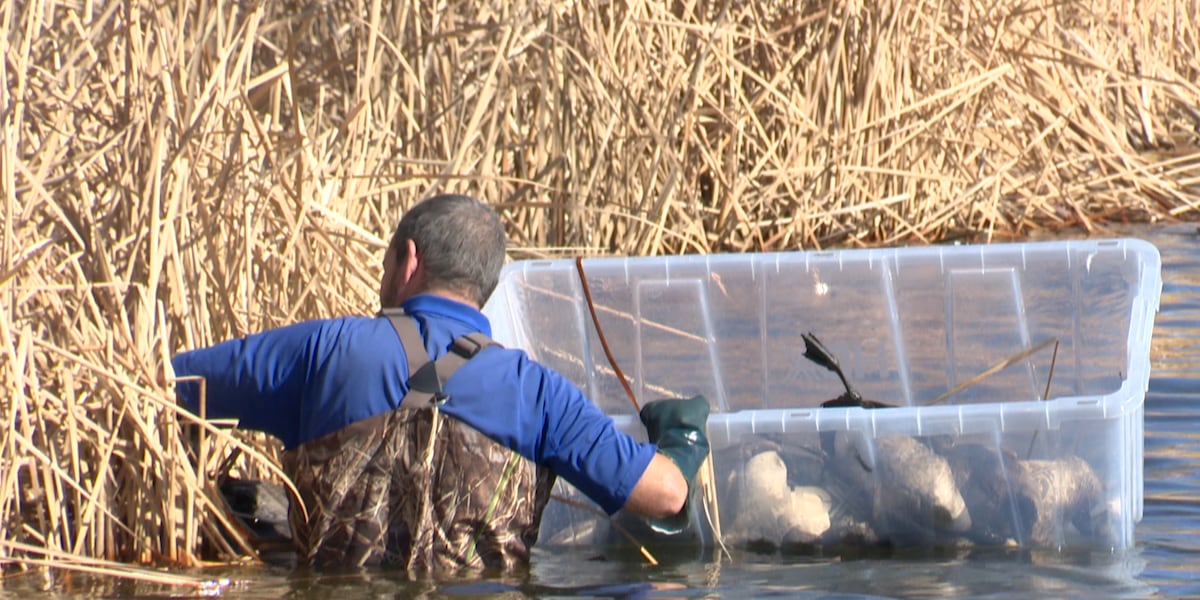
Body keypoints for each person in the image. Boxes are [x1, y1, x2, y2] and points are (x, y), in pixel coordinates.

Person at [171, 193, 710, 571]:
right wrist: (683, 436)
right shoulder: (536, 391)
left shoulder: (320, 350)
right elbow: (665, 496)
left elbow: (172, 384)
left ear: (409, 260)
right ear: (485, 286)